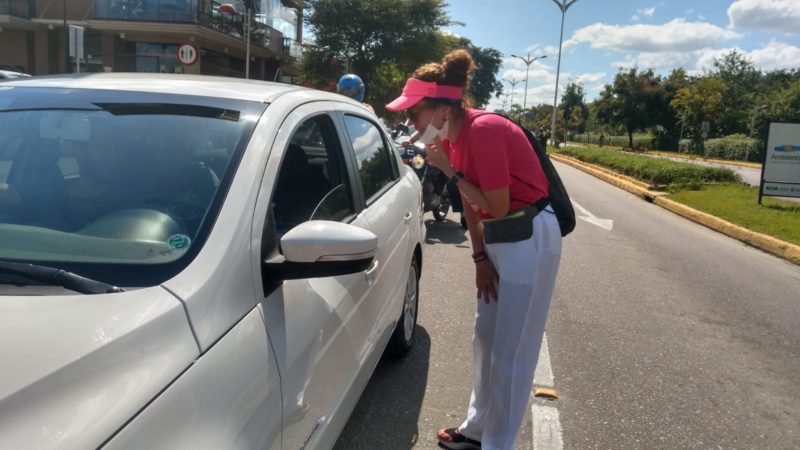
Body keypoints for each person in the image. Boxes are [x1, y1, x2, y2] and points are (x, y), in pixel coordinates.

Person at [386, 50, 562, 450]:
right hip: (501, 238)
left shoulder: (483, 131)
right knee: (485, 339)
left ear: (443, 108)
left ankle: (498, 444)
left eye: (415, 114)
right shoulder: (455, 136)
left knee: (512, 352)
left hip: (529, 236)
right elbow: (472, 204)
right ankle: (477, 429)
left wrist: (449, 170)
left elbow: (496, 204)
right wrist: (479, 257)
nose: (411, 127)